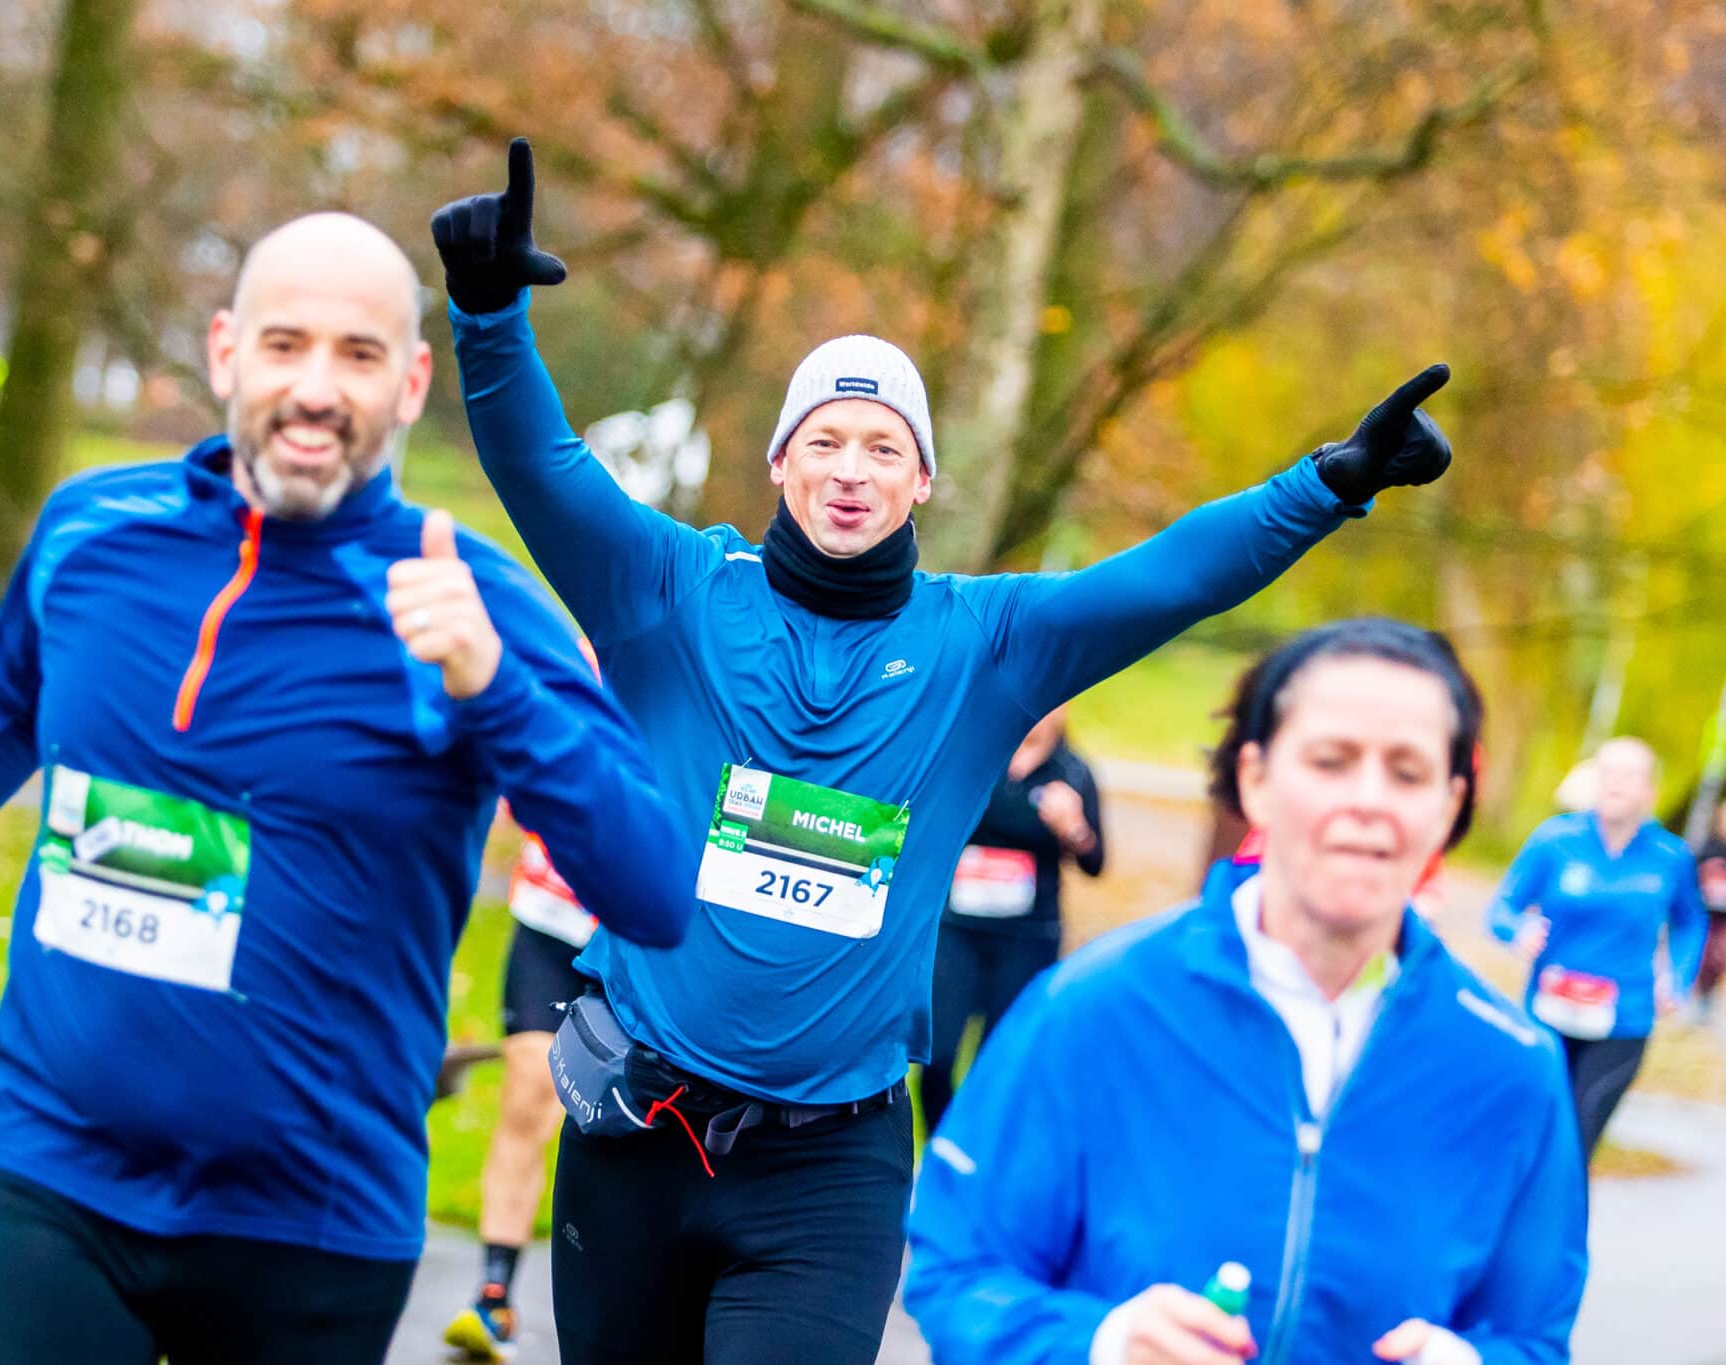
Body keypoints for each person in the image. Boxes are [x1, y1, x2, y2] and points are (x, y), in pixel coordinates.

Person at [431, 139, 1456, 1363]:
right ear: (777, 461)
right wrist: (487, 314)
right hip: (638, 1136)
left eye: (882, 448)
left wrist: (1326, 484)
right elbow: (542, 470)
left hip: (825, 1169)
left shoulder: (986, 644)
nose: (849, 471)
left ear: (921, 479)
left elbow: (1165, 579)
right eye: (824, 440)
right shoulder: (669, 591)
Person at [0, 213, 696, 1365]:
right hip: (54, 1173)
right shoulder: (93, 533)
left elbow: (651, 891)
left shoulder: (464, 601)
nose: (315, 387)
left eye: (356, 354)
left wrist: (493, 688)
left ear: (408, 384)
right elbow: (1, 701)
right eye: (285, 345)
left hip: (311, 1224)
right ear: (225, 351)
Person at [906, 619, 1587, 1365]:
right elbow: (957, 1275)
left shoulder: (1512, 1066)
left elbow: (1533, 1338)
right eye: (1331, 761)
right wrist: (1102, 1344)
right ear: (1256, 778)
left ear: (1451, 805)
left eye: (1408, 772)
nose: (1369, 800)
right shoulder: (1092, 1007)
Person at [1487, 736, 1708, 1159]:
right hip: (1549, 1011)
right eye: (1607, 772)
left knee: (1575, 1142)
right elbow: (1502, 908)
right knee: (1527, 1133)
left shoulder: (1671, 856)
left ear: (1650, 791)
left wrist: (1677, 977)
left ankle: (1559, 1201)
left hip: (1623, 1019)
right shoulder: (1555, 839)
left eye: (1629, 774)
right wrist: (1518, 931)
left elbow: (1690, 922)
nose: (1615, 782)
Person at [444, 827, 596, 1361]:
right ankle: (494, 1297)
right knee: (531, 1090)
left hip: (641, 935)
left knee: (622, 1123)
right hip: (551, 919)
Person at [920, 705, 1103, 1131]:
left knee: (1000, 1059)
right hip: (957, 929)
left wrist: (1073, 828)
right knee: (936, 1055)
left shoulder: (1072, 772)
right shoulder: (976, 755)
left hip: (1027, 938)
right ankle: (943, 1138)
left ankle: (978, 1148)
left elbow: (1095, 862)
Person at [1695, 800, 1726, 1018]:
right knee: (1702, 957)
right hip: (1705, 916)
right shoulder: (1708, 850)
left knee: (1717, 958)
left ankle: (1704, 1005)